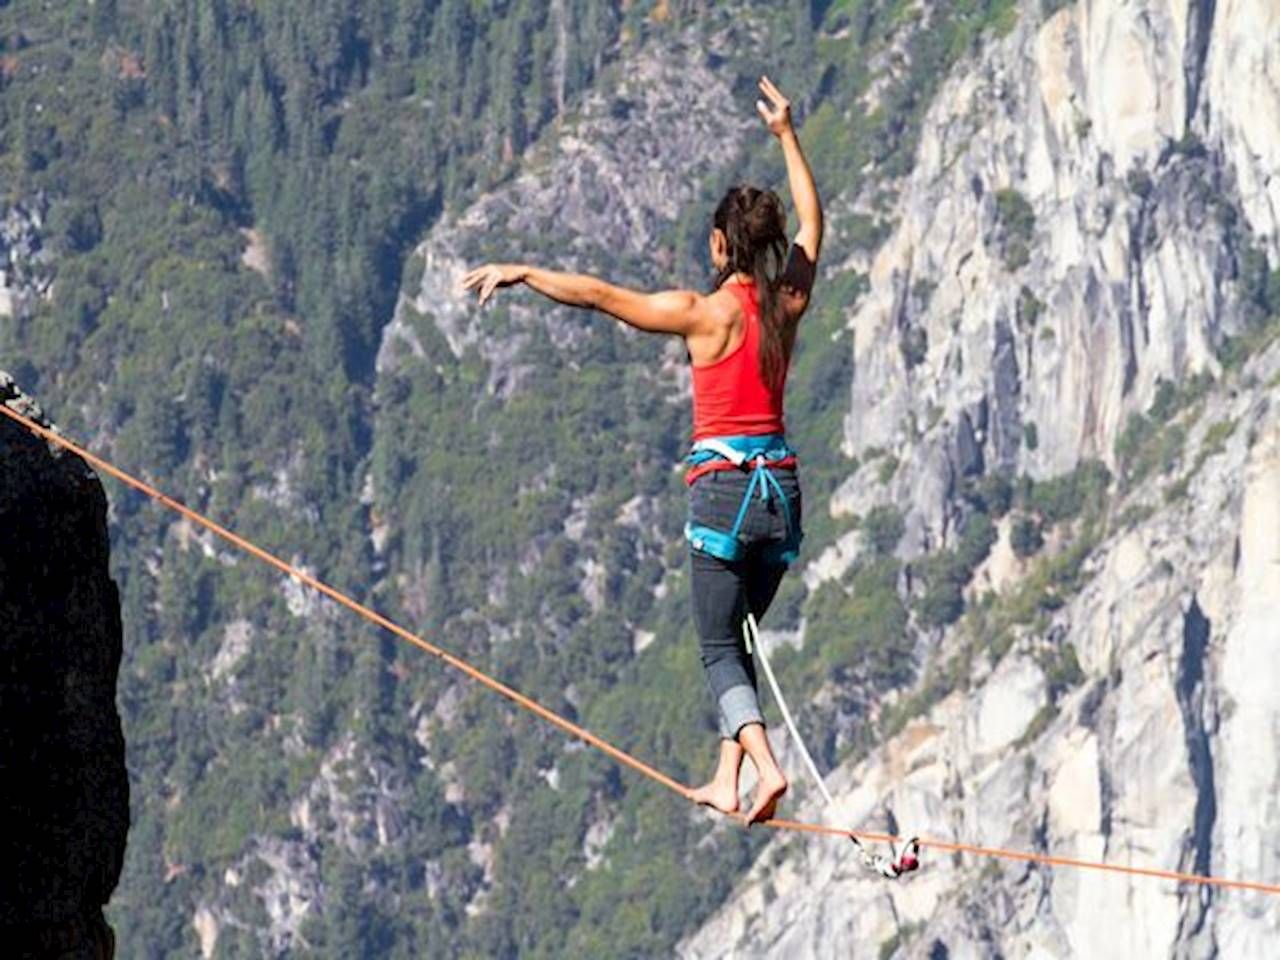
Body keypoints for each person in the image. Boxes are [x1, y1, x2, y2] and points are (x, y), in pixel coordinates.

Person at [462, 75, 822, 826]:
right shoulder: (787, 303)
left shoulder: (699, 313)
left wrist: (524, 272)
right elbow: (815, 223)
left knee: (718, 649)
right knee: (738, 641)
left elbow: (600, 295)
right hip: (781, 497)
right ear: (769, 247)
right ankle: (728, 777)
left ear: (720, 245)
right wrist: (787, 135)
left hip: (724, 495)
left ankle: (766, 766)